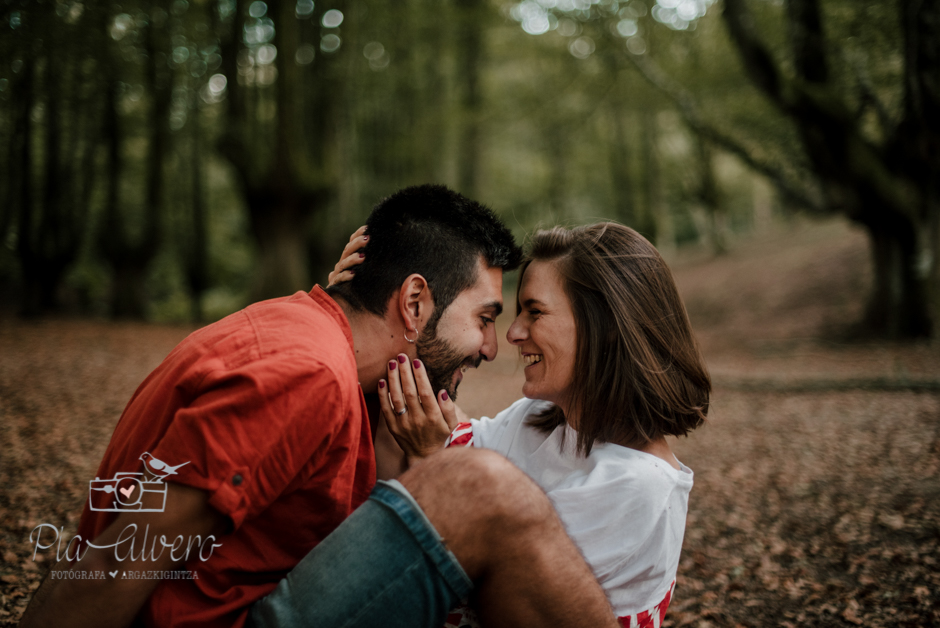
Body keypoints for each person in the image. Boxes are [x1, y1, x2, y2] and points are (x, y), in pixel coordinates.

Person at [20, 185, 622, 628]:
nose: (493, 347)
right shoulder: (305, 376)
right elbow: (108, 564)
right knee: (487, 487)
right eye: (485, 319)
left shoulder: (310, 338)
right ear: (414, 302)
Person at [336, 221, 711, 627]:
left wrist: (434, 459)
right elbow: (427, 429)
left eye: (534, 312)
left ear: (603, 325)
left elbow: (492, 591)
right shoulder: (538, 421)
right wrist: (358, 308)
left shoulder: (637, 485)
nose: (513, 334)